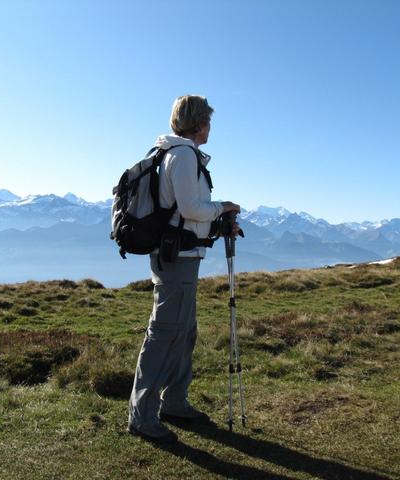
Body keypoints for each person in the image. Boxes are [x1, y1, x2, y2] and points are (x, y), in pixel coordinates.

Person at [127, 95, 241, 443]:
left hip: (181, 256)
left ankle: (174, 401)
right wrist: (223, 208)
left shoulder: (171, 154)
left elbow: (180, 212)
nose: (210, 127)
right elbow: (191, 208)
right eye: (208, 120)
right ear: (199, 123)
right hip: (177, 261)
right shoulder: (183, 155)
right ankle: (142, 416)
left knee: (183, 332)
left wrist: (219, 224)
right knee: (164, 334)